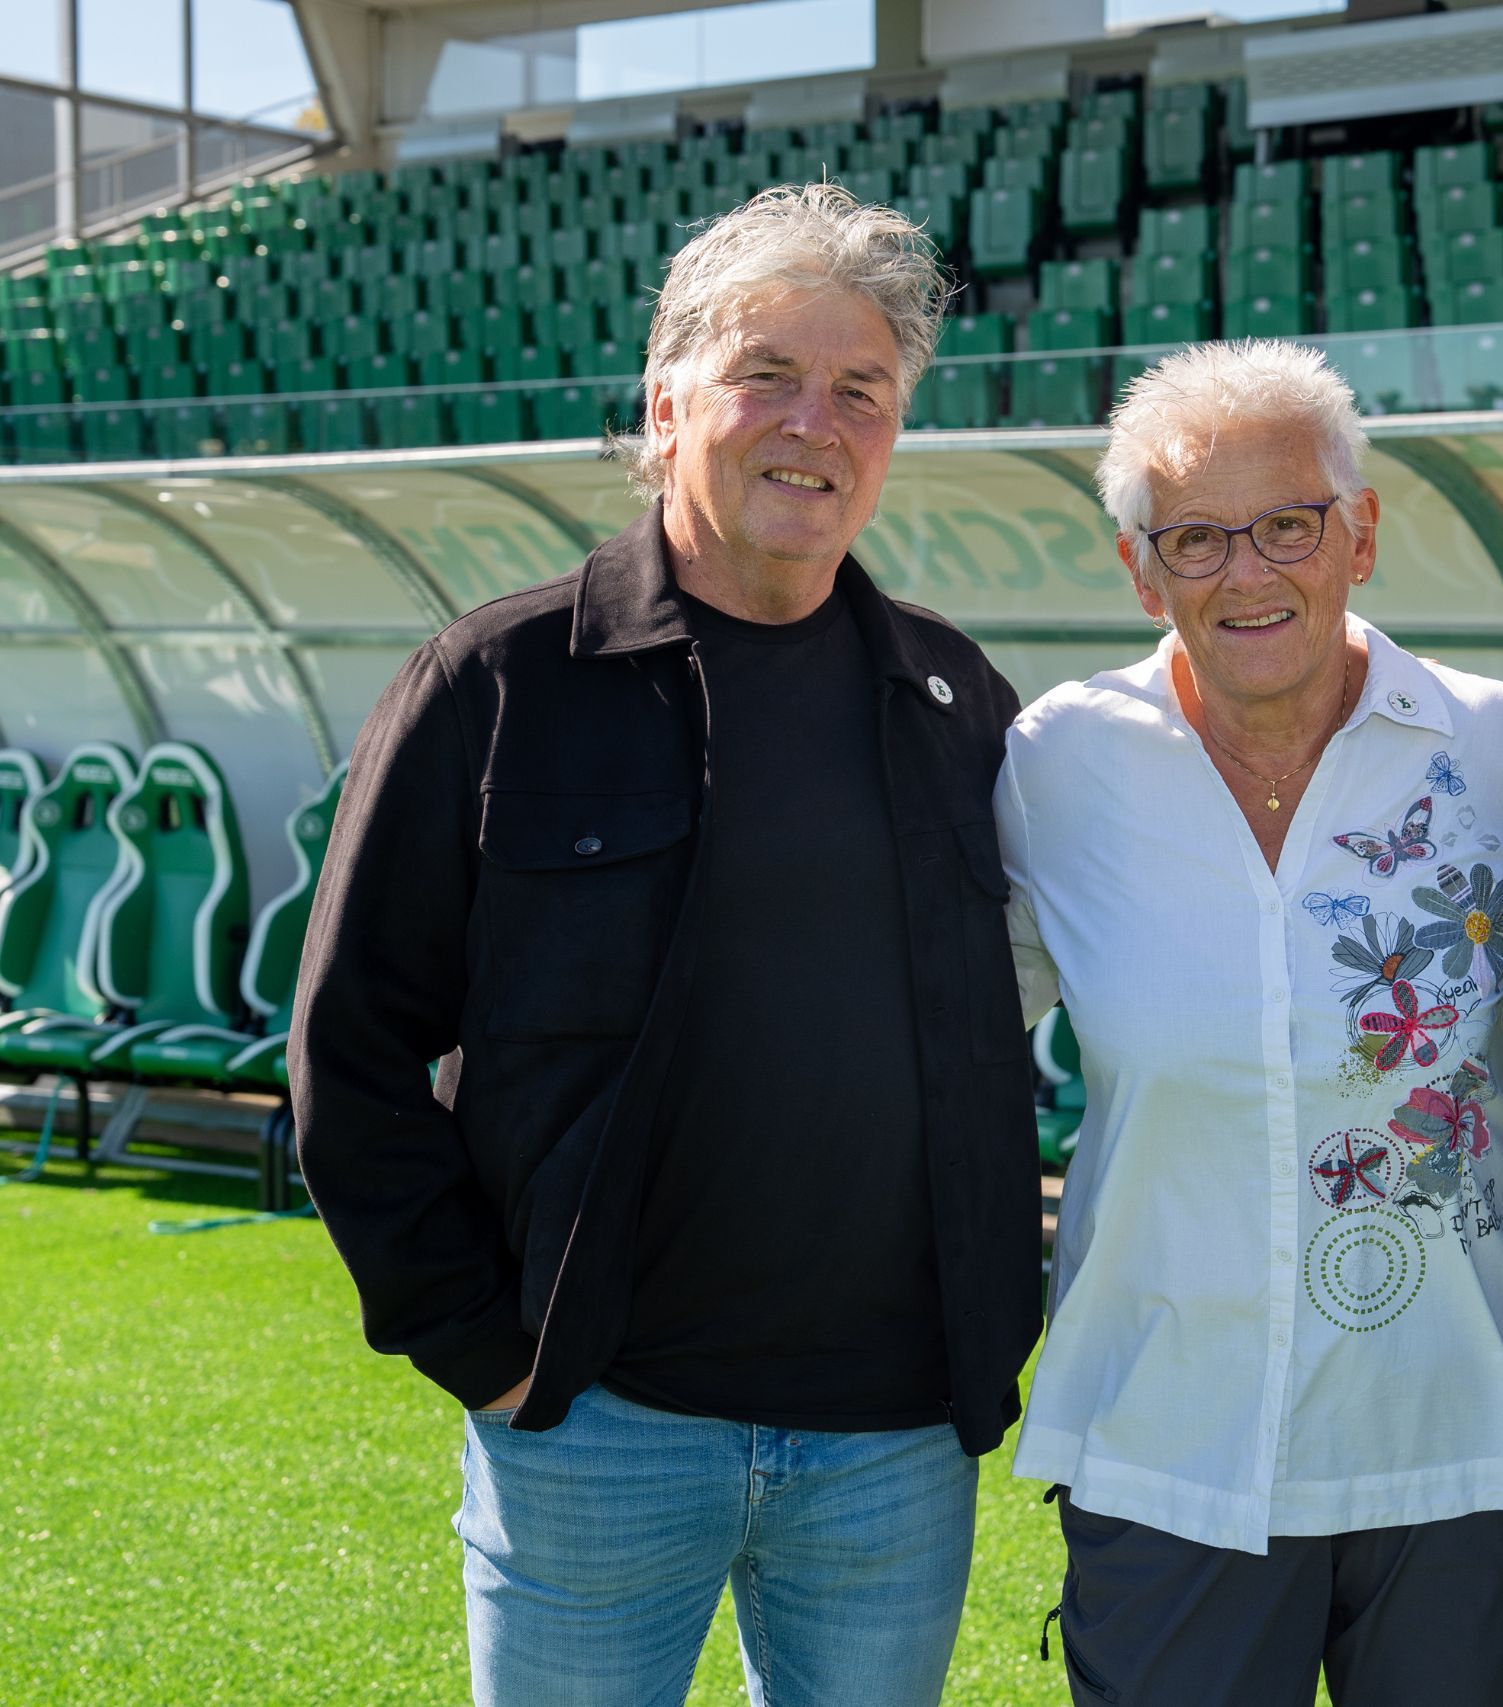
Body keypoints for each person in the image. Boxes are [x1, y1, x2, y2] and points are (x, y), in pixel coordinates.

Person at [290, 185, 1041, 1707]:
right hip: (596, 1428)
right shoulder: (497, 683)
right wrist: (484, 1351)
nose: (812, 425)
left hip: (891, 1445)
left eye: (861, 392)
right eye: (768, 373)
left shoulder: (956, 699)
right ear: (665, 400)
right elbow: (349, 1047)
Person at [996, 340, 1503, 1706]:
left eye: (1288, 525)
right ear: (1142, 570)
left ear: (1360, 532)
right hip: (1165, 1442)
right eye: (1196, 538)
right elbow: (928, 1039)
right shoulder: (1054, 771)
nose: (1247, 573)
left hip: (1464, 1443)